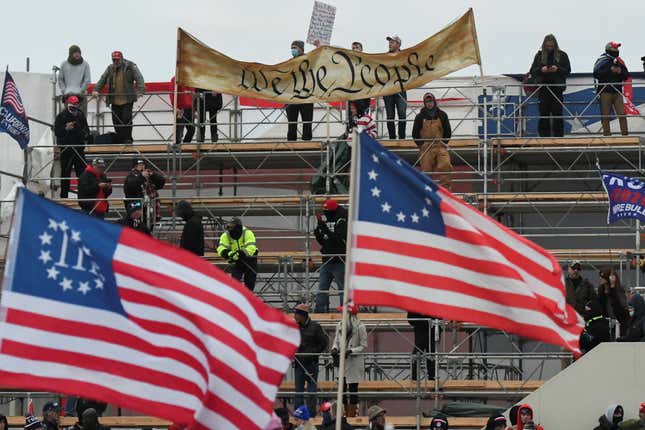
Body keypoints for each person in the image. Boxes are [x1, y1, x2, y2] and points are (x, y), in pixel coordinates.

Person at [93, 51, 145, 144]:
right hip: (114, 99)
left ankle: (128, 139)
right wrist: (96, 90)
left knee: (126, 118)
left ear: (121, 58)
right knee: (116, 121)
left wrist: (140, 90)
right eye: (113, 59)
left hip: (127, 99)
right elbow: (103, 79)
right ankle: (120, 140)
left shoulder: (130, 66)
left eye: (117, 59)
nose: (115, 61)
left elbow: (139, 78)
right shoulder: (110, 68)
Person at [529, 34, 571, 137]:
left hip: (557, 88)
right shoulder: (539, 56)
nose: (549, 48)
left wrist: (558, 69)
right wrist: (541, 69)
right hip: (543, 88)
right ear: (544, 45)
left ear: (555, 45)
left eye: (551, 46)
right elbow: (532, 71)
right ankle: (544, 137)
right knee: (544, 114)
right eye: (547, 46)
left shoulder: (562, 55)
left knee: (557, 114)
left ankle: (558, 136)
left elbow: (568, 70)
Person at [331, 303, 367, 417]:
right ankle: (342, 414)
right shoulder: (340, 325)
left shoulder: (360, 326)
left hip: (354, 362)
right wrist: (334, 349)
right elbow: (336, 340)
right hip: (342, 360)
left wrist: (351, 351)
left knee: (353, 389)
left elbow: (363, 345)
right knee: (341, 388)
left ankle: (352, 414)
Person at [412, 92, 453, 189]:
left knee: (445, 165)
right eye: (427, 101)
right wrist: (421, 145)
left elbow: (448, 131)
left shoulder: (442, 115)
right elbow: (415, 133)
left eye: (431, 101)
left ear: (434, 101)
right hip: (426, 147)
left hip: (440, 146)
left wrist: (443, 143)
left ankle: (446, 190)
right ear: (424, 103)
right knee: (426, 171)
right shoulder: (419, 117)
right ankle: (428, 192)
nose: (429, 103)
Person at [293, 303, 328, 417]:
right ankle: (298, 415)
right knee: (298, 392)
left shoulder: (315, 327)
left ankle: (311, 415)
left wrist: (313, 353)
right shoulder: (294, 327)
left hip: (311, 364)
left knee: (311, 392)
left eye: (297, 314)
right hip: (299, 364)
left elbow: (323, 343)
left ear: (303, 315)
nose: (295, 316)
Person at [314, 199, 348, 313]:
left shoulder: (342, 220)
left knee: (342, 289)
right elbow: (324, 241)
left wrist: (323, 226)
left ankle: (344, 312)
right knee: (322, 288)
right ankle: (319, 311)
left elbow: (337, 239)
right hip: (327, 260)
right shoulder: (326, 221)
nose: (325, 214)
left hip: (340, 260)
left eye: (326, 211)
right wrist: (318, 232)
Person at [54, 95, 89, 198]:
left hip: (78, 148)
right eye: (72, 104)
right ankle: (64, 197)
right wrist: (66, 128)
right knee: (65, 174)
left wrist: (84, 135)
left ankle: (82, 197)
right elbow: (57, 132)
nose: (74, 107)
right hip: (66, 149)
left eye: (76, 104)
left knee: (82, 174)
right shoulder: (61, 116)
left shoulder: (81, 115)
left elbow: (86, 130)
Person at [593, 42, 630, 136]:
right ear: (609, 49)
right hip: (605, 92)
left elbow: (626, 76)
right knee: (605, 115)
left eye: (617, 48)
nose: (617, 50)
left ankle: (625, 135)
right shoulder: (602, 60)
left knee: (622, 114)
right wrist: (610, 70)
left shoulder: (619, 61)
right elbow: (596, 73)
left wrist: (620, 71)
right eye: (614, 48)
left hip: (617, 92)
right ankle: (607, 135)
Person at [217, 218, 259, 291]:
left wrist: (240, 253)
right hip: (236, 262)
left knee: (250, 284)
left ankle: (248, 299)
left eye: (232, 227)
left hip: (249, 261)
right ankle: (237, 299)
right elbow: (221, 248)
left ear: (238, 227)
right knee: (235, 284)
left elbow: (251, 247)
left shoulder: (247, 233)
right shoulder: (226, 235)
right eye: (229, 227)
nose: (230, 229)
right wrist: (229, 254)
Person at [123, 159, 166, 228]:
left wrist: (153, 174)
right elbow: (131, 186)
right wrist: (141, 176)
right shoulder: (130, 176)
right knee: (137, 227)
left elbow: (161, 182)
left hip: (149, 205)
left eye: (143, 165)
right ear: (134, 167)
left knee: (149, 227)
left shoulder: (149, 177)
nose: (141, 167)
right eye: (139, 165)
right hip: (136, 206)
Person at [286, 40, 314, 141]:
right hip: (292, 96)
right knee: (292, 121)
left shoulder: (308, 59)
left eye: (295, 48)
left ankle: (307, 140)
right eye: (292, 48)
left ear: (301, 49)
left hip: (306, 96)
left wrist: (318, 45)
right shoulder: (289, 62)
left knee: (307, 120)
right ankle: (291, 140)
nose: (292, 50)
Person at [383, 35, 407, 139]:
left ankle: (402, 138)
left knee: (402, 114)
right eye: (389, 42)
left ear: (398, 44)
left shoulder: (404, 56)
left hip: (401, 89)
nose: (389, 44)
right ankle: (392, 138)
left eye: (392, 42)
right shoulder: (383, 57)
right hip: (388, 90)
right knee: (390, 115)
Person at [58, 45, 91, 113]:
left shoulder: (85, 64)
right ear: (71, 53)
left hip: (81, 96)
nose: (77, 54)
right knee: (69, 117)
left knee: (81, 117)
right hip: (68, 95)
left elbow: (87, 80)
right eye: (75, 52)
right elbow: (60, 79)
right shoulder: (64, 64)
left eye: (78, 52)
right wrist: (64, 90)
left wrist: (81, 90)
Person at [408, 312, 439, 380]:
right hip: (421, 325)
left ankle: (432, 378)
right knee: (419, 351)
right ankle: (414, 377)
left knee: (432, 352)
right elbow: (411, 319)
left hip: (433, 325)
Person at [170, 76, 195, 145]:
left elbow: (193, 95)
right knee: (179, 131)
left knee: (192, 129)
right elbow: (172, 93)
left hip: (189, 108)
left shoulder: (190, 79)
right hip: (180, 108)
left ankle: (184, 145)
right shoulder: (175, 79)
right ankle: (178, 147)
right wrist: (175, 107)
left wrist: (194, 109)